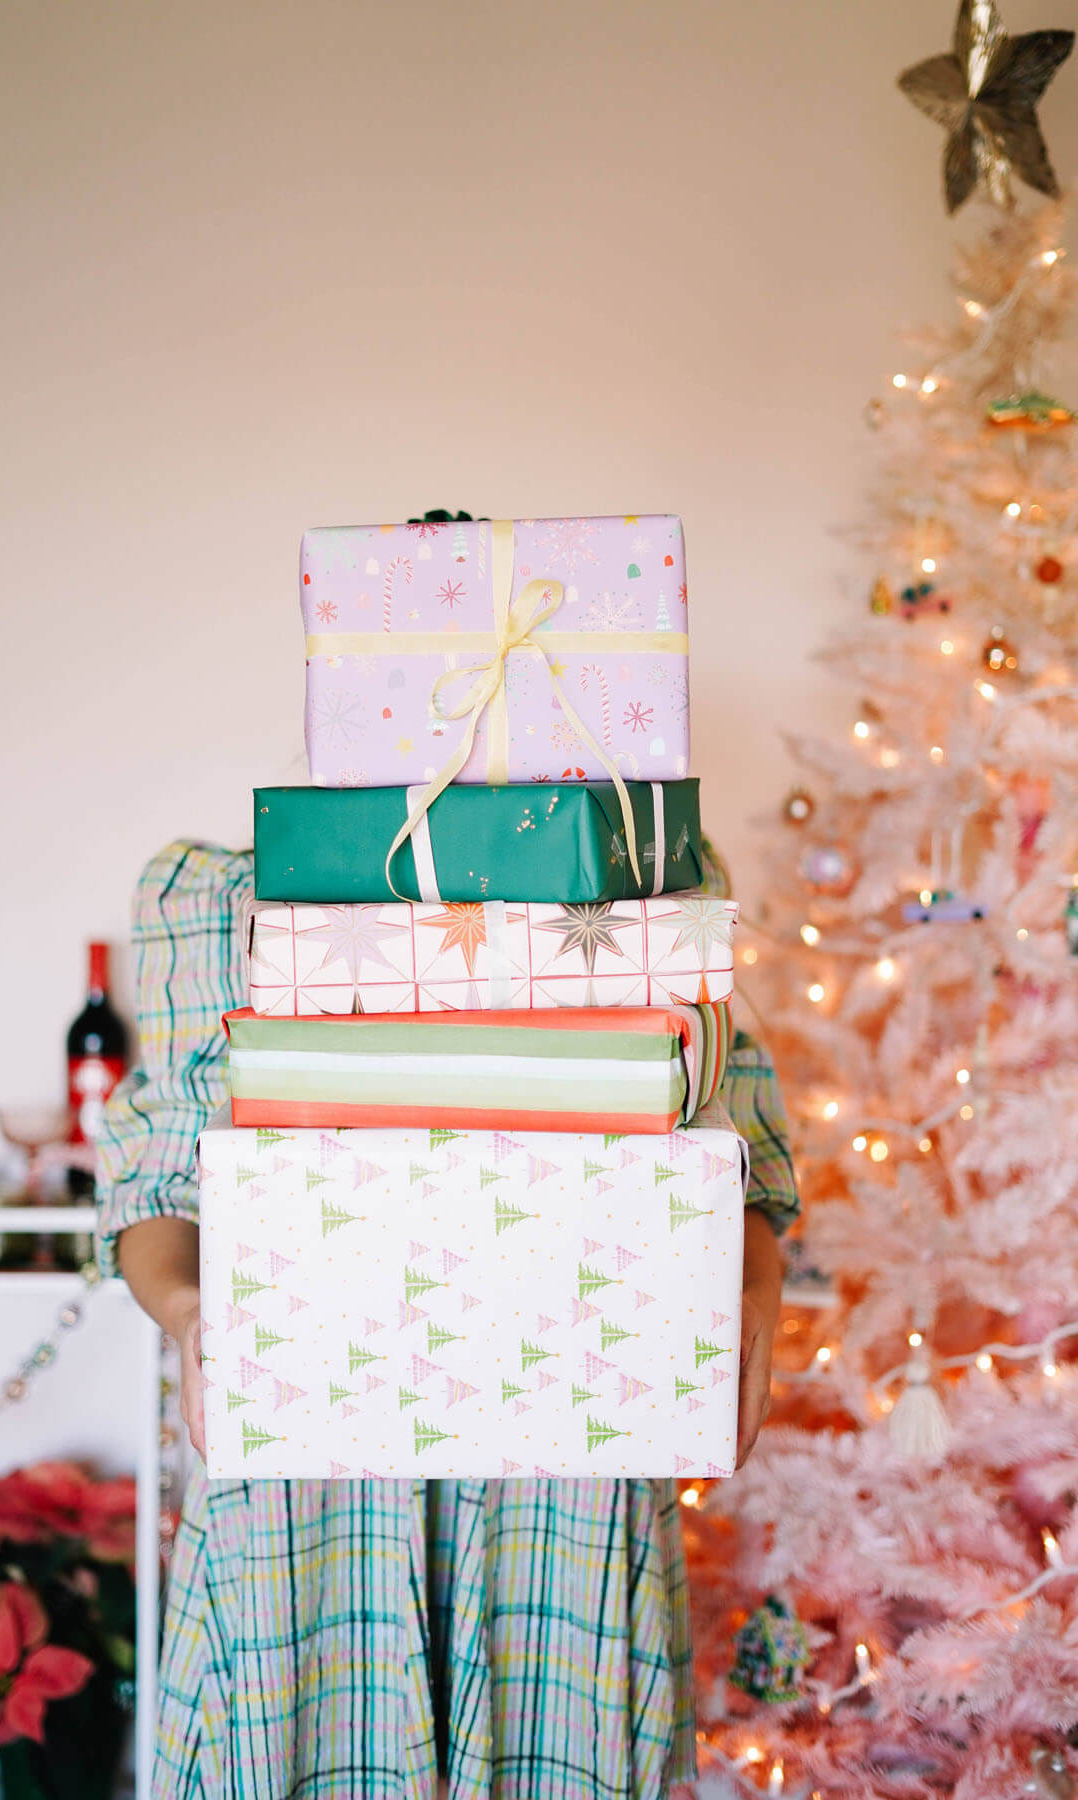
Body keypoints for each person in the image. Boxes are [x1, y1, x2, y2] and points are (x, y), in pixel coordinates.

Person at [97, 630, 798, 1800]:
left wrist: (750, 1304)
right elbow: (158, 1186)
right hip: (305, 1502)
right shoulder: (221, 899)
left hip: (565, 1482)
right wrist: (189, 1317)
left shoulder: (638, 887)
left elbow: (741, 1159)